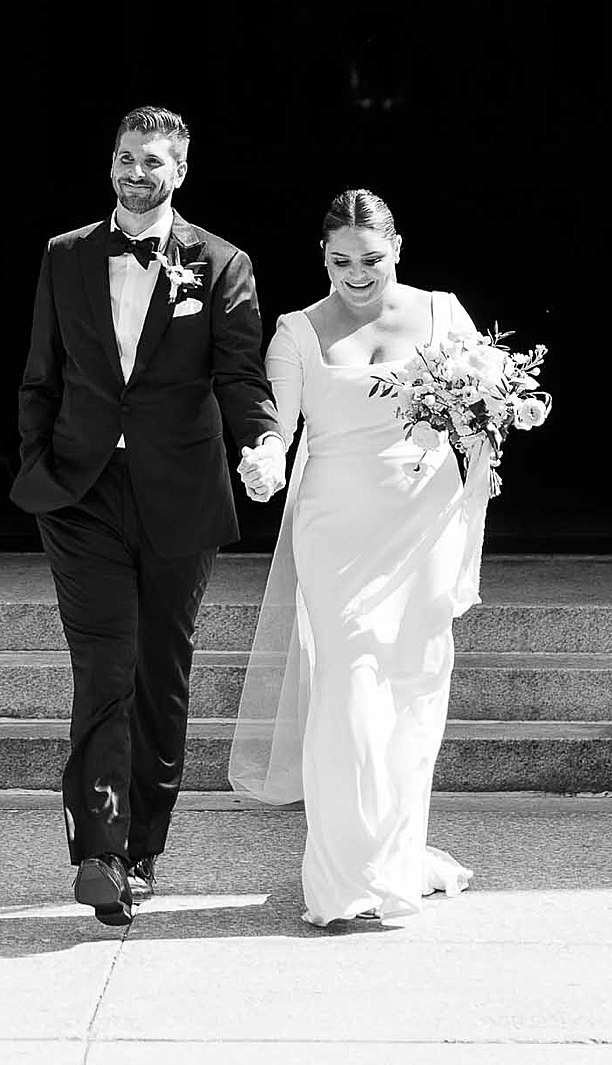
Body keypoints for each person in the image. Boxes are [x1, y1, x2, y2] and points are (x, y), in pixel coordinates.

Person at [13, 105, 285, 927]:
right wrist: (38, 465)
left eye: (154, 161)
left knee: (160, 674)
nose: (138, 172)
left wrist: (264, 440)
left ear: (181, 170)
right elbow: (41, 374)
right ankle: (99, 849)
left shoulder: (223, 263)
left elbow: (238, 374)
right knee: (106, 666)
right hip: (81, 493)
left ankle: (142, 850)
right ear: (110, 165)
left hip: (179, 496)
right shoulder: (65, 256)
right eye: (127, 158)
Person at [229, 187, 492, 927]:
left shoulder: (443, 313)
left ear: (397, 248)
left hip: (422, 522)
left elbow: (481, 413)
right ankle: (344, 878)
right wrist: (266, 461)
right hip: (336, 527)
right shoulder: (297, 331)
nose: (356, 273)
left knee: (413, 681)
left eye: (371, 259)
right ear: (323, 256)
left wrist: (493, 427)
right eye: (341, 260)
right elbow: (275, 423)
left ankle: (397, 858)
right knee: (348, 679)